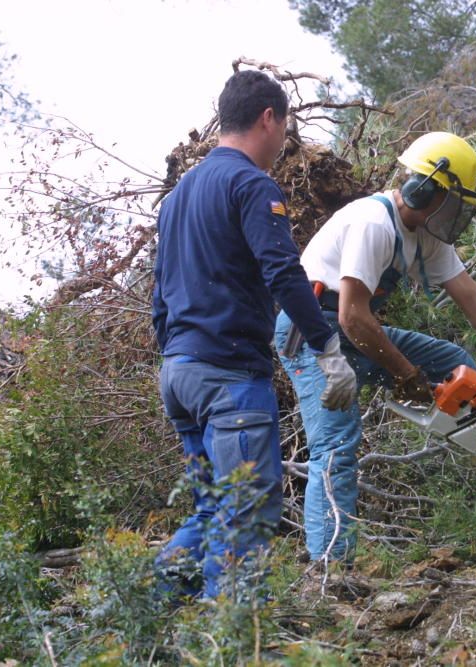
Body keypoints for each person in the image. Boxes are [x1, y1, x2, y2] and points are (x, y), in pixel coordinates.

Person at [274, 131, 476, 564]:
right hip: (311, 332)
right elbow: (353, 316)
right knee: (336, 445)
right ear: (426, 188)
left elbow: (468, 293)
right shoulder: (373, 223)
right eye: (453, 199)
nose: (455, 212)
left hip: (351, 328)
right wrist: (403, 372)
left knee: (455, 365)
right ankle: (330, 565)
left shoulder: (427, 233)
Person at [151, 70, 356, 599]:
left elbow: (160, 293)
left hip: (179, 374)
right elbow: (284, 273)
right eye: (285, 127)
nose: (285, 140)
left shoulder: (176, 199)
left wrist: (174, 356)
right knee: (245, 509)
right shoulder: (250, 184)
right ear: (269, 118)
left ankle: (147, 614)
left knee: (213, 507)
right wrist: (328, 350)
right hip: (227, 377)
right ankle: (235, 635)